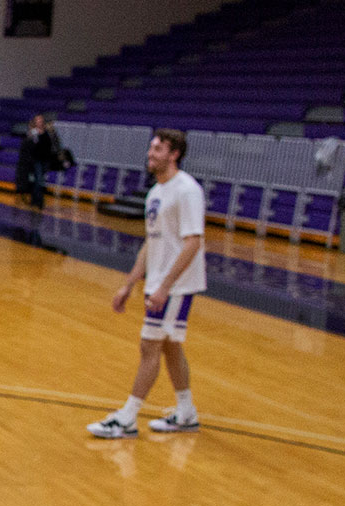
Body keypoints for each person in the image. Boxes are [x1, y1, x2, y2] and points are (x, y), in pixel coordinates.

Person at [86, 128, 206, 438]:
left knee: (149, 345)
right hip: (159, 283)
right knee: (169, 348)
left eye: (157, 149)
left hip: (177, 286)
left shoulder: (187, 190)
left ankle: (126, 418)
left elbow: (193, 242)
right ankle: (186, 412)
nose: (150, 154)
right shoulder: (155, 193)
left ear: (174, 153)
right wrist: (129, 284)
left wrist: (166, 286)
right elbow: (151, 243)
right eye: (150, 149)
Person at [15, 114, 62, 209]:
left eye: (41, 120)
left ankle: (36, 200)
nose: (40, 122)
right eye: (38, 121)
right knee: (38, 179)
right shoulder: (33, 132)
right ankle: (38, 200)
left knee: (39, 179)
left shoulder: (49, 132)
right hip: (36, 159)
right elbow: (29, 145)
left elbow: (54, 144)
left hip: (45, 159)